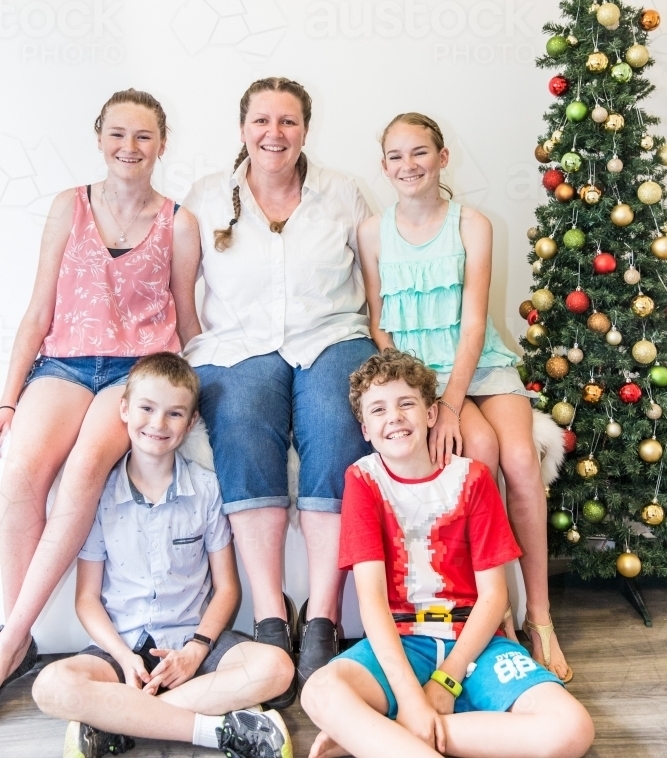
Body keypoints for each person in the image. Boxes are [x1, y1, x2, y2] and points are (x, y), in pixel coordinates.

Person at [357, 112, 571, 682]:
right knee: (479, 452)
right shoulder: (372, 233)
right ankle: (490, 611)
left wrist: (449, 402)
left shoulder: (472, 224)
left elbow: (473, 325)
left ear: (443, 157)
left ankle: (541, 617)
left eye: (420, 152)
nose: (409, 165)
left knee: (523, 458)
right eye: (396, 157)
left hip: (478, 367)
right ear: (384, 167)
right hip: (418, 373)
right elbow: (380, 324)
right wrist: (419, 396)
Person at [0, 89, 202, 691]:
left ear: (162, 145)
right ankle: (19, 631)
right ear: (98, 138)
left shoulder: (178, 222)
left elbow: (188, 320)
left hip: (136, 371)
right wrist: (8, 398)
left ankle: (7, 643)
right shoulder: (69, 206)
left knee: (87, 466)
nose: (129, 147)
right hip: (63, 363)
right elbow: (38, 310)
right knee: (18, 473)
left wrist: (200, 390)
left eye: (143, 136)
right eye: (117, 134)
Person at [183, 77, 377, 701]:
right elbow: (184, 290)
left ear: (306, 130)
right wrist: (198, 355)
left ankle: (321, 616)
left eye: (288, 121)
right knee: (237, 418)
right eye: (262, 121)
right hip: (236, 345)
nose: (275, 133)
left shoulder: (342, 192)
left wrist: (382, 351)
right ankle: (271, 618)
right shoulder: (207, 197)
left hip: (333, 336)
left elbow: (375, 280)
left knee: (334, 419)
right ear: (242, 129)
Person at [301, 350, 594, 758]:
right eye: (379, 410)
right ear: (365, 429)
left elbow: (495, 597)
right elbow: (371, 600)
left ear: (432, 414)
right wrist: (410, 697)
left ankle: (386, 737)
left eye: (407, 403)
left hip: (474, 644)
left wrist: (443, 685)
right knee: (319, 692)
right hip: (402, 641)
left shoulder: (472, 478)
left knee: (572, 729)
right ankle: (405, 734)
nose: (395, 417)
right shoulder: (363, 480)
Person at [32, 352, 294, 758]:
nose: (158, 424)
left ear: (190, 424)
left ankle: (117, 721)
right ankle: (214, 730)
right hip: (118, 651)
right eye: (147, 409)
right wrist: (123, 657)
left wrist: (196, 650)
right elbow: (86, 599)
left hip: (192, 647)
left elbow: (227, 589)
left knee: (277, 667)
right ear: (124, 409)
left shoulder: (206, 490)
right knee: (50, 685)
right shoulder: (101, 495)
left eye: (174, 414)